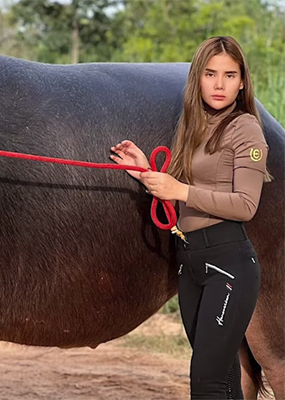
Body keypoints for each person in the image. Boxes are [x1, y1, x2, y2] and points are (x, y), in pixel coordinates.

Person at [110, 36, 271, 399]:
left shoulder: (245, 128)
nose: (219, 84)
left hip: (228, 263)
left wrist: (178, 190)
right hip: (191, 263)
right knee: (223, 376)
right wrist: (145, 172)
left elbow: (246, 205)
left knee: (206, 382)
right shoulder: (194, 127)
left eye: (230, 75)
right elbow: (182, 188)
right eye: (210, 74)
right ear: (197, 78)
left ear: (242, 81)